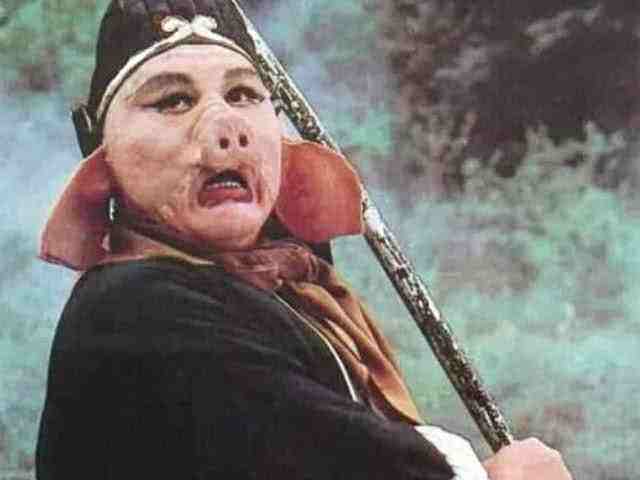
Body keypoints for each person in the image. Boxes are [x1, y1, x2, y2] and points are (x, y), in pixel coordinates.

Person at [35, 1, 573, 479]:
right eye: (173, 100)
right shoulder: (136, 314)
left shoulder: (273, 286)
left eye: (244, 93)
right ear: (103, 156)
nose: (227, 127)